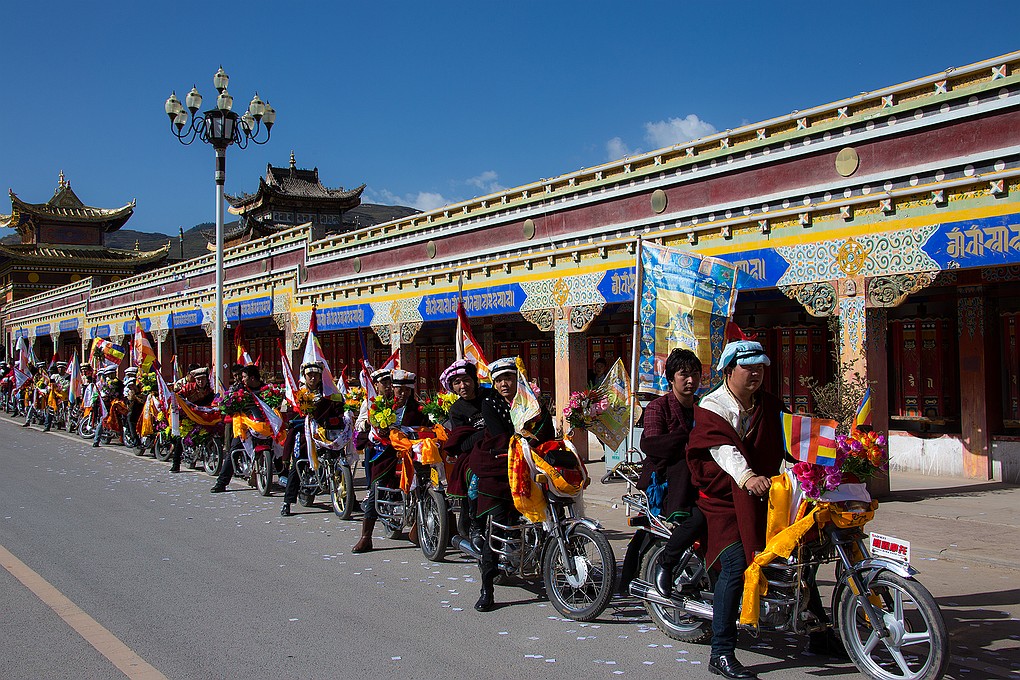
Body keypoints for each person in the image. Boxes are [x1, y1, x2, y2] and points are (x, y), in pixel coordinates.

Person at [686, 340, 784, 679]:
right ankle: (721, 652)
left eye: (760, 367)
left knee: (800, 549)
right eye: (748, 367)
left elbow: (789, 441)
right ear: (729, 371)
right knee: (736, 564)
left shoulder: (768, 404)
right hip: (723, 499)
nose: (756, 373)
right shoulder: (712, 405)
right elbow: (724, 449)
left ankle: (820, 631)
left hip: (764, 491)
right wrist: (747, 477)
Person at [470, 357, 554, 613]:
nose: (504, 384)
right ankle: (487, 589)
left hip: (530, 463)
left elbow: (546, 431)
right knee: (496, 525)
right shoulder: (490, 403)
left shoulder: (532, 402)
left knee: (554, 510)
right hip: (502, 468)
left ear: (518, 380)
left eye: (508, 378)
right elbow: (502, 436)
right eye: (499, 380)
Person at [629, 348, 706, 599]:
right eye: (684, 375)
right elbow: (652, 445)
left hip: (702, 478)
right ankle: (667, 563)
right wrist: (687, 442)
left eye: (695, 374)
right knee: (698, 518)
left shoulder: (704, 408)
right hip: (668, 483)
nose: (691, 380)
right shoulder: (657, 408)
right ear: (671, 378)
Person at [351, 368, 425, 552]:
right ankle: (366, 537)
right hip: (386, 453)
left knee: (427, 480)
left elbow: (428, 425)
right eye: (400, 389)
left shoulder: (418, 407)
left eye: (407, 390)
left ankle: (433, 523)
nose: (403, 393)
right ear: (393, 388)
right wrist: (374, 426)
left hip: (412, 452)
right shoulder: (380, 406)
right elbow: (365, 426)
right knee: (377, 487)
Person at [281, 361, 345, 517]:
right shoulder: (298, 395)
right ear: (305, 376)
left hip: (327, 432)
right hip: (306, 433)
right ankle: (287, 502)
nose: (313, 378)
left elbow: (340, 409)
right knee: (298, 461)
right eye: (310, 375)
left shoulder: (330, 392)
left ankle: (348, 498)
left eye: (316, 375)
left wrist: (344, 415)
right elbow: (290, 414)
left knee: (341, 457)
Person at [441, 360, 488, 548]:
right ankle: (476, 525)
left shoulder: (490, 397)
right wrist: (488, 432)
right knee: (476, 477)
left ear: (475, 380)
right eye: (457, 382)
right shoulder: (457, 410)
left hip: (502, 448)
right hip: (473, 455)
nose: (463, 386)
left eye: (466, 380)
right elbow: (463, 443)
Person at [211, 365, 266, 493]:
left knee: (278, 444)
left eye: (244, 377)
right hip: (243, 425)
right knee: (234, 450)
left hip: (263, 424)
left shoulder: (266, 389)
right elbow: (226, 402)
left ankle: (283, 476)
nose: (242, 379)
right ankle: (221, 483)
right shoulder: (238, 388)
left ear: (252, 378)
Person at [170, 367, 216, 473]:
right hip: (188, 415)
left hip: (202, 415)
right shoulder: (188, 387)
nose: (201, 382)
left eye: (203, 379)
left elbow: (213, 402)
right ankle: (176, 464)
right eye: (198, 379)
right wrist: (187, 404)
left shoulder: (210, 391)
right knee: (181, 438)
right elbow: (178, 396)